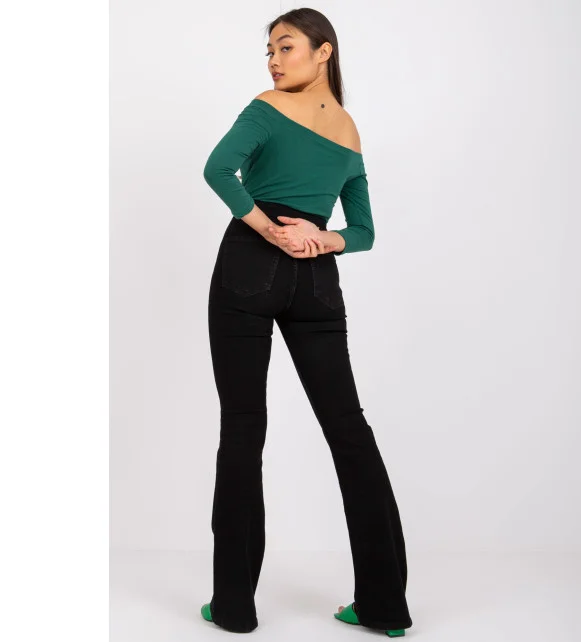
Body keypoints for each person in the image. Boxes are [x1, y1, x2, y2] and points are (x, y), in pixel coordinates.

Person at [199, 8, 412, 637]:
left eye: (286, 47)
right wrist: (323, 240)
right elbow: (363, 231)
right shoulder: (349, 132)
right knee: (349, 429)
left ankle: (233, 606)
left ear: (324, 51)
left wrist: (268, 230)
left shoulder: (266, 109)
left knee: (243, 428)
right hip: (317, 281)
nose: (273, 60)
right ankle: (384, 606)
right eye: (268, 50)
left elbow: (217, 170)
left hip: (249, 265)